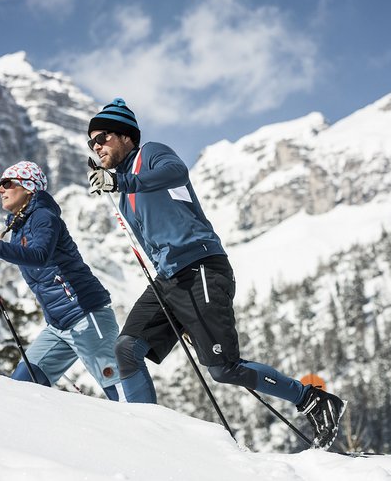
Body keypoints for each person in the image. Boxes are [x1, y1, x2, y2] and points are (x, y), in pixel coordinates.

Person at [85, 98, 346, 448]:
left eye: (102, 137)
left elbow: (176, 173)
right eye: (92, 142)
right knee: (127, 348)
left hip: (200, 268)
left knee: (224, 369)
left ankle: (311, 399)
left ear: (125, 136)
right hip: (169, 279)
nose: (96, 146)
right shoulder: (124, 189)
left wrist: (123, 184)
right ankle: (145, 437)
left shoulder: (151, 155)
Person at [0, 160, 123, 400]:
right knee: (20, 388)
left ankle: (157, 434)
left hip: (87, 315)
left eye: (6, 183)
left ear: (28, 187)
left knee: (119, 392)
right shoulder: (19, 229)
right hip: (58, 326)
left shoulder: (44, 217)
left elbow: (39, 256)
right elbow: (23, 254)